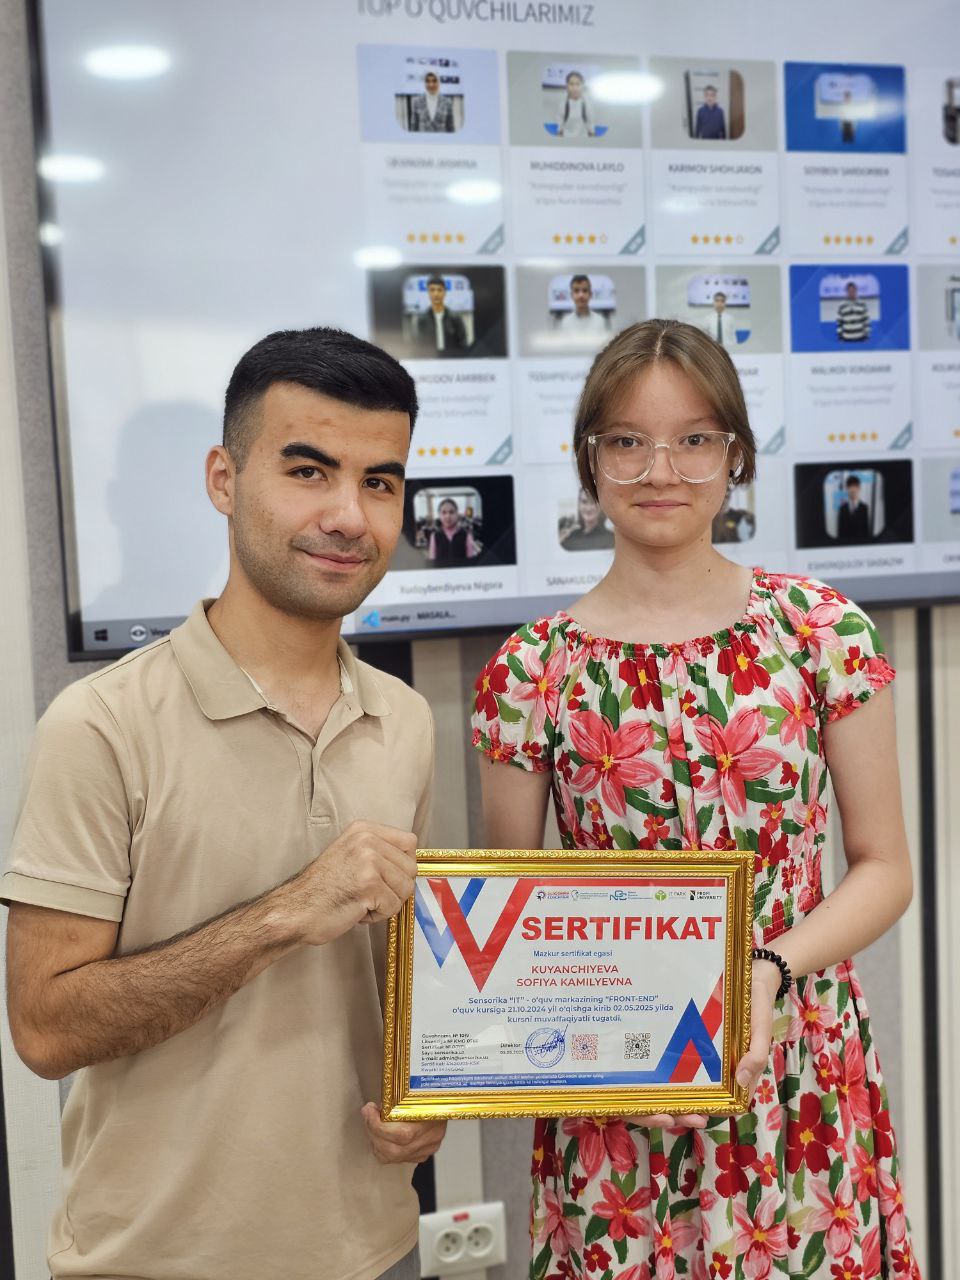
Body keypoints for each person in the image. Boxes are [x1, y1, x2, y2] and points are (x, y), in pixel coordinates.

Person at [471, 319, 920, 1279]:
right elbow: (515, 916)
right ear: (589, 462)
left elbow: (885, 869)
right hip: (615, 1081)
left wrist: (764, 972)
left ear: (736, 456)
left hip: (794, 1057)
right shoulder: (530, 670)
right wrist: (604, 1055)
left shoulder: (820, 631)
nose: (660, 470)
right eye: (626, 441)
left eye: (694, 438)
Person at [3, 327, 446, 1280]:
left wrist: (430, 1096)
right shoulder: (101, 725)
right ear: (224, 479)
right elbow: (44, 1029)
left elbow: (400, 982)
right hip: (153, 1259)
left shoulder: (404, 720)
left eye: (379, 482)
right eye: (308, 470)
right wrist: (285, 914)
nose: (349, 516)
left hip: (373, 1249)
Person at [415, 275, 469, 356]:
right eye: (432, 290)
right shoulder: (422, 320)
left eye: (439, 290)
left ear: (445, 292)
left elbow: (463, 345)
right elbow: (418, 346)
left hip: (452, 360)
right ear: (428, 293)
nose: (436, 294)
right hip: (429, 360)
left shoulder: (455, 318)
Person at [559, 486, 614, 552]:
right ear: (579, 505)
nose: (588, 508)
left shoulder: (610, 537)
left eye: (593, 502)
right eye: (584, 502)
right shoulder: (571, 536)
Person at [427, 496, 480, 563]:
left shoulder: (466, 536)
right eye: (444, 512)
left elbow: (470, 562)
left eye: (451, 512)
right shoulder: (434, 536)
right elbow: (432, 561)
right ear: (439, 515)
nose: (448, 516)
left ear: (457, 514)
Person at [556, 274, 609, 339]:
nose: (581, 295)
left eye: (584, 290)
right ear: (571, 295)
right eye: (576, 291)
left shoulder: (600, 321)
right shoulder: (565, 323)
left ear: (590, 294)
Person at [555, 70, 594, 139]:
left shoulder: (587, 105)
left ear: (582, 86)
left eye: (578, 84)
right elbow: (559, 128)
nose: (575, 88)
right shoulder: (562, 105)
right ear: (567, 86)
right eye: (571, 84)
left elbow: (591, 127)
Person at [836, 473, 872, 542]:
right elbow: (840, 532)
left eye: (855, 486)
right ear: (847, 489)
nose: (852, 489)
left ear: (859, 488)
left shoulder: (865, 508)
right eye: (850, 487)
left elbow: (866, 530)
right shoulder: (842, 508)